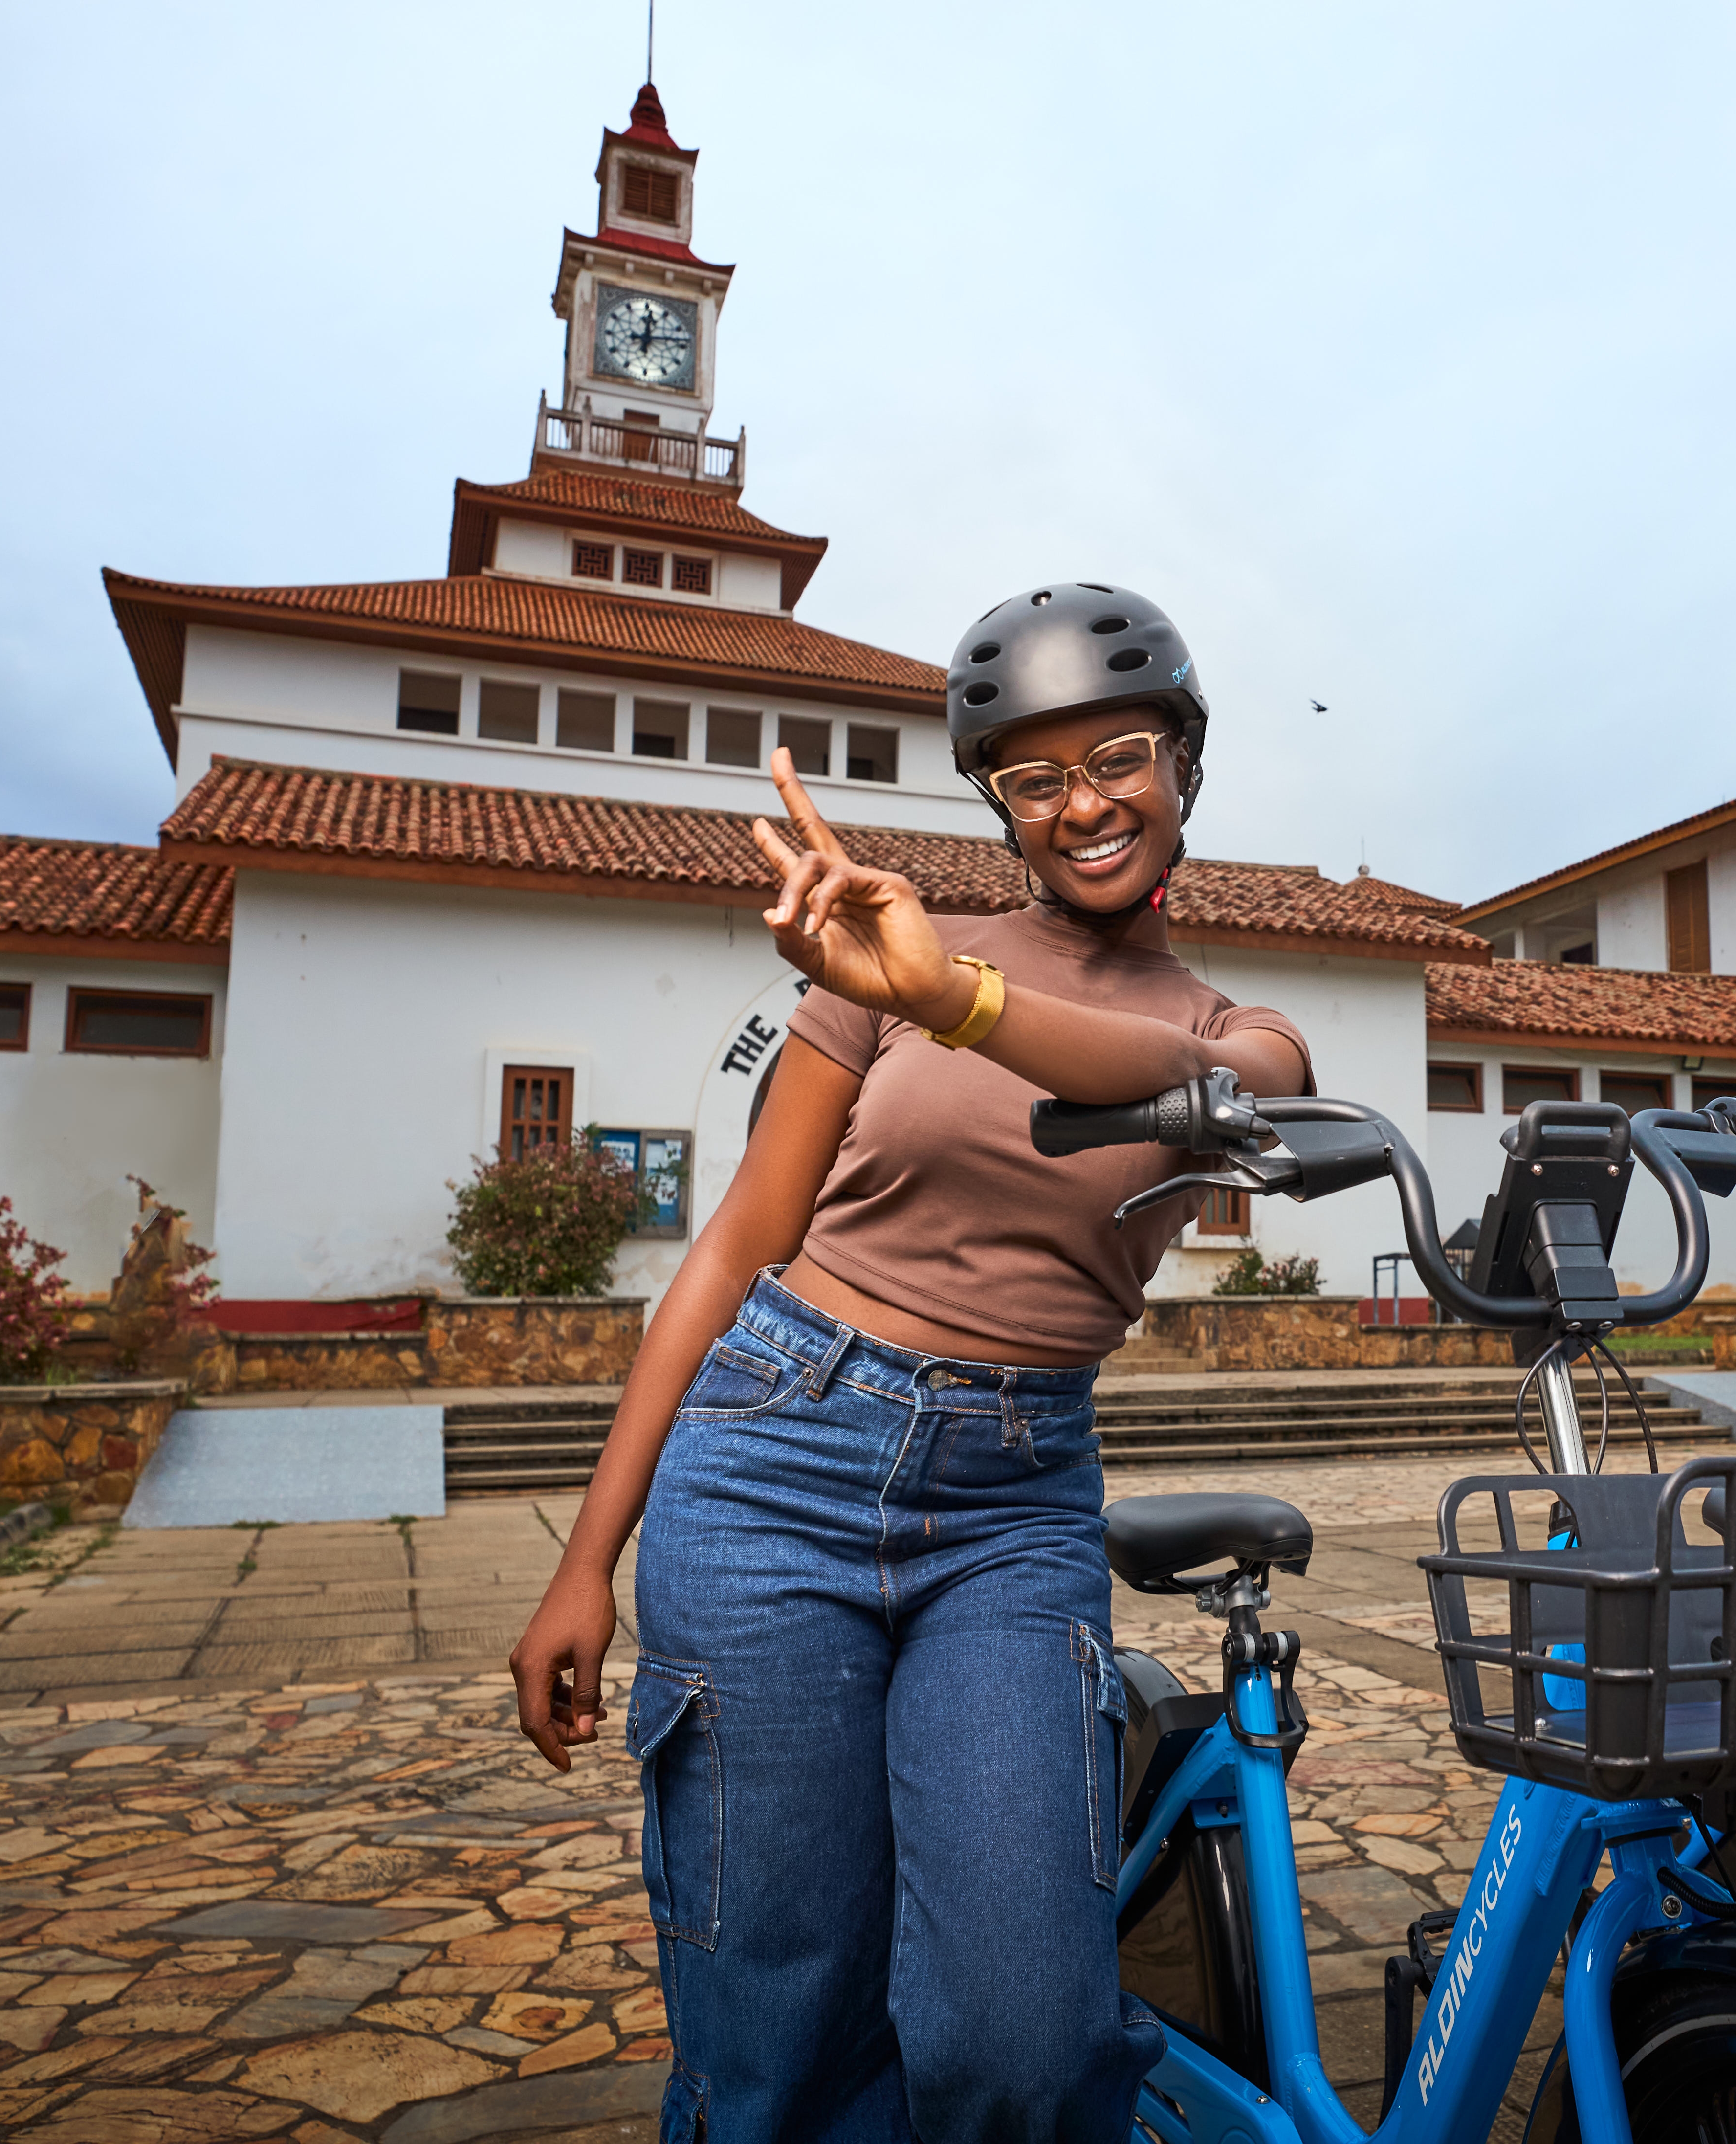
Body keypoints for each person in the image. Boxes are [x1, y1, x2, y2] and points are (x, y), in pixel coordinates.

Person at [509, 584, 1310, 2142]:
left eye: (1120, 755)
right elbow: (735, 1251)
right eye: (1033, 776)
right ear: (1001, 806)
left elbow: (1205, 1090)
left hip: (1013, 1511)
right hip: (770, 1459)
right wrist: (584, 1562)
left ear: (1184, 764)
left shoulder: (1235, 1025)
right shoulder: (879, 965)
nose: (1083, 802)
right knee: (782, 2029)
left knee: (1025, 2035)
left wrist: (959, 1001)